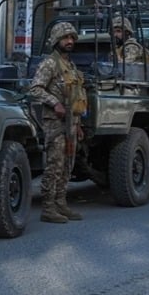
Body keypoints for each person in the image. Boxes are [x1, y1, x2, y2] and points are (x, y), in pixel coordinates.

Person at [29, 22, 87, 223]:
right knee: (54, 165)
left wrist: (78, 125)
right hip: (55, 123)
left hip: (72, 122)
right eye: (65, 38)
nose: (69, 41)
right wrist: (54, 103)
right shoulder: (50, 64)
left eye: (71, 38)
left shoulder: (70, 66)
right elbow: (35, 89)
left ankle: (60, 203)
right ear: (56, 41)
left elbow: (76, 95)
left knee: (67, 166)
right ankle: (48, 207)